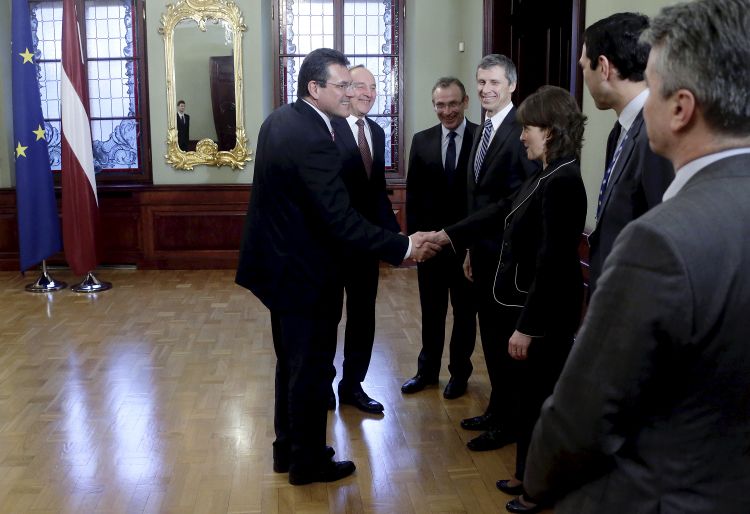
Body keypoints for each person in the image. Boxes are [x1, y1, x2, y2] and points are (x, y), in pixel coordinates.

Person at [524, 1, 750, 512]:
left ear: (681, 108)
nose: (643, 100)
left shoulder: (659, 242)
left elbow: (576, 426)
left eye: (652, 85)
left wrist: (538, 479)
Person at [235, 48, 439, 486]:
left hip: (280, 269)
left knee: (291, 365)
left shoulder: (280, 120)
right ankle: (309, 463)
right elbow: (339, 219)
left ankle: (288, 451)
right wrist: (403, 246)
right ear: (315, 88)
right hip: (306, 275)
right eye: (342, 85)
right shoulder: (314, 137)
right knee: (310, 370)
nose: (350, 93)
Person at [434, 85, 587, 513]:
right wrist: (447, 235)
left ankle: (537, 490)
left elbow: (553, 264)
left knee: (540, 400)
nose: (521, 136)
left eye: (528, 128)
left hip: (546, 316)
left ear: (551, 130)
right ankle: (525, 474)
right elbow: (501, 207)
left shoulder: (563, 181)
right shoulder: (545, 174)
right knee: (528, 397)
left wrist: (527, 327)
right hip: (527, 305)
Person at [459, 54, 538, 452]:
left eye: (493, 82)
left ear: (512, 85)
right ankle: (496, 409)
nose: (485, 89)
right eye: (480, 82)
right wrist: (470, 249)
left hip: (509, 261)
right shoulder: (483, 127)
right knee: (489, 338)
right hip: (482, 254)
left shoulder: (521, 130)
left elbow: (516, 202)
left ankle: (509, 423)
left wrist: (454, 236)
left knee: (504, 340)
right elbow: (477, 197)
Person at [580, 12, 674, 296]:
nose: (583, 75)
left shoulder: (657, 135)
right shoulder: (620, 131)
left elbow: (665, 241)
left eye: (584, 66)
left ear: (603, 67)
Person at [329, 65, 401, 414]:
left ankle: (352, 386)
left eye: (373, 87)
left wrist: (396, 236)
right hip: (330, 246)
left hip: (366, 246)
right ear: (345, 89)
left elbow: (376, 193)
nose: (368, 93)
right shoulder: (328, 128)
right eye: (360, 86)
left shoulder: (376, 131)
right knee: (327, 318)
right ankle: (321, 386)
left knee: (362, 318)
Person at [401, 77, 478, 399]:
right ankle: (427, 372)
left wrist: (473, 245)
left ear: (465, 102)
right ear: (434, 105)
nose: (447, 111)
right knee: (431, 313)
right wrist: (416, 244)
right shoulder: (421, 140)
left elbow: (483, 200)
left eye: (453, 103)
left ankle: (459, 374)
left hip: (466, 249)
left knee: (465, 315)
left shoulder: (481, 139)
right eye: (440, 105)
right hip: (430, 247)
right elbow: (414, 197)